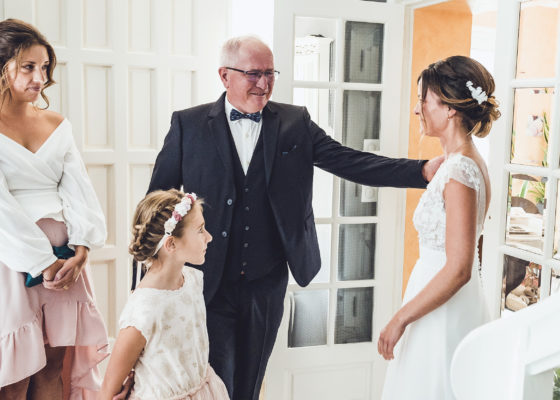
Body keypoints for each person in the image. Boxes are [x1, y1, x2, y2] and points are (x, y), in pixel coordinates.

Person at [146, 35, 442, 400]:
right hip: (206, 280)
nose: (264, 83)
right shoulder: (188, 126)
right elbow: (155, 206)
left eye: (271, 73)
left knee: (250, 384)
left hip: (265, 281)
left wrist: (422, 170)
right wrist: (147, 284)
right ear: (224, 76)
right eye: (254, 74)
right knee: (212, 380)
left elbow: (349, 160)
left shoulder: (294, 123)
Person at [0, 19, 108, 399]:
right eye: (28, 67)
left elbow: (80, 190)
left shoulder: (57, 125)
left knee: (55, 365)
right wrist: (42, 262)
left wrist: (82, 248)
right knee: (12, 373)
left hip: (66, 262)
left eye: (44, 68)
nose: (39, 77)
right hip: (4, 261)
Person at [379, 55, 500, 399]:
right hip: (440, 298)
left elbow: (460, 267)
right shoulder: (459, 163)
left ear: (449, 109)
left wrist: (400, 318)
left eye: (424, 99)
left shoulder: (461, 170)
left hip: (441, 308)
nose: (417, 109)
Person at [100, 189, 229, 400]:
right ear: (171, 244)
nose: (209, 237)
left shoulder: (192, 280)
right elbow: (108, 389)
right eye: (200, 230)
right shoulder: (144, 311)